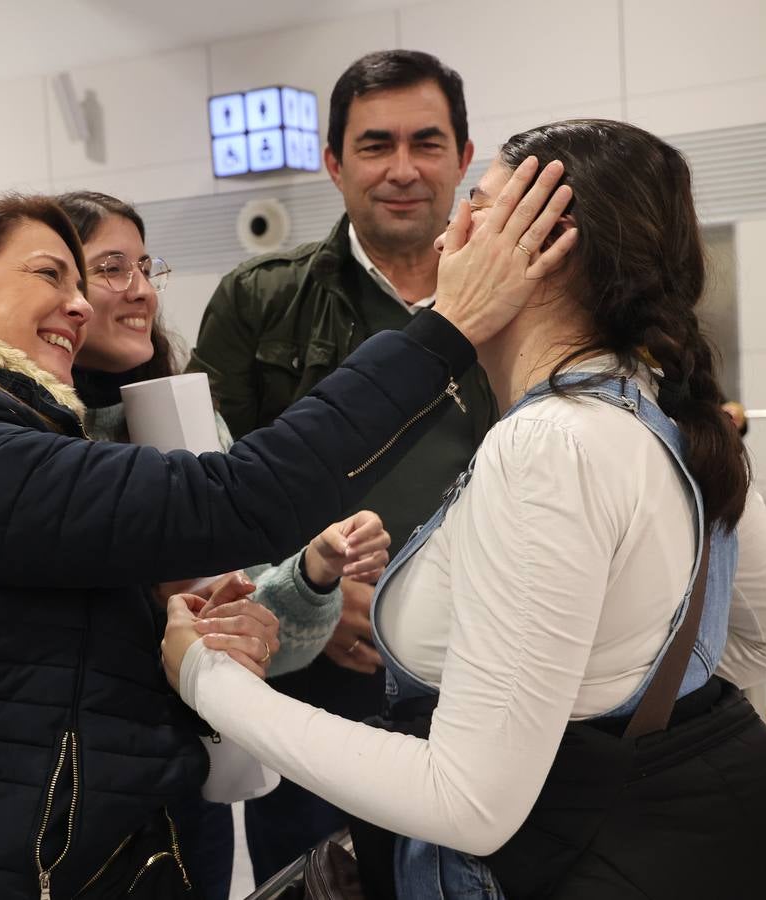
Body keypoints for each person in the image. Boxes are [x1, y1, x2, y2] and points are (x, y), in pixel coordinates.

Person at [0, 180, 567, 899]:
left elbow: (24, 657)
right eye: (53, 274)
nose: (82, 304)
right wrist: (443, 331)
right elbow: (240, 496)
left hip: (48, 845)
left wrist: (181, 632)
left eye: (93, 279)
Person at [164, 122, 766, 899]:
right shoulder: (660, 405)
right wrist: (597, 693)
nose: (448, 234)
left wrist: (209, 681)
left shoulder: (547, 445)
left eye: (474, 209)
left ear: (544, 253)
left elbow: (467, 803)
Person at [187, 49, 501, 879]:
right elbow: (210, 492)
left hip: (488, 666)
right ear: (332, 162)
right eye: (374, 145)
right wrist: (310, 596)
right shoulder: (258, 302)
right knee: (324, 877)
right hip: (320, 686)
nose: (402, 169)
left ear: (463, 157)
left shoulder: (519, 293)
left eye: (426, 143)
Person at [56, 190, 390, 899]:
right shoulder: (16, 436)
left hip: (178, 776)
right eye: (111, 268)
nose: (141, 291)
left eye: (147, 267)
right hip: (68, 793)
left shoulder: (178, 417)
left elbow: (270, 638)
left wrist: (313, 573)